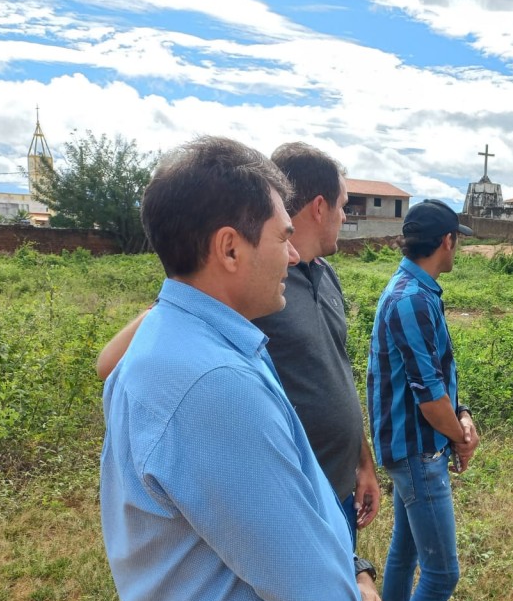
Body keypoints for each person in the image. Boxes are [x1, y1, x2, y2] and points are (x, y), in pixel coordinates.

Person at [99, 136, 388, 601]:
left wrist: (355, 570)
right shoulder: (214, 383)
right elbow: (296, 573)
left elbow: (292, 503)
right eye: (282, 237)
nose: (292, 254)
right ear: (230, 248)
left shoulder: (189, 342)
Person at [97, 142, 380, 545]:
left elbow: (336, 369)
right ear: (320, 207)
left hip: (338, 483)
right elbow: (116, 359)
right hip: (286, 492)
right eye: (343, 206)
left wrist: (362, 460)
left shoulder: (325, 275)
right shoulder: (253, 283)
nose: (345, 216)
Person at [366, 199, 480, 601]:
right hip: (418, 451)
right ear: (447, 241)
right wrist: (459, 437)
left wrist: (462, 417)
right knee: (442, 571)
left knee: (406, 552)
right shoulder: (411, 299)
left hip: (417, 445)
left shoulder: (417, 292)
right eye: (459, 240)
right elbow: (429, 396)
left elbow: (439, 379)